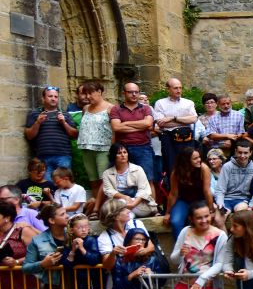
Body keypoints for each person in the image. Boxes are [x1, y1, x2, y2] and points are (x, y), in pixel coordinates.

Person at [24, 86, 78, 180]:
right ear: (43, 98)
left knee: (63, 184)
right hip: (43, 157)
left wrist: (64, 122)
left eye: (56, 97)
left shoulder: (65, 115)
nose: (53, 98)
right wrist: (38, 122)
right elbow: (29, 136)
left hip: (63, 155)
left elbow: (74, 135)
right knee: (47, 185)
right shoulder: (34, 114)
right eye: (50, 96)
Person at [75, 81, 113, 215]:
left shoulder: (110, 108)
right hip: (87, 148)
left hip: (103, 148)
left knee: (104, 180)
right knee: (94, 180)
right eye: (85, 93)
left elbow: (115, 129)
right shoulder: (86, 109)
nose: (88, 96)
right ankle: (97, 207)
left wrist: (113, 147)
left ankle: (102, 208)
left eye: (90, 93)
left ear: (99, 92)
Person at [110, 82, 156, 187]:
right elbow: (116, 127)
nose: (134, 94)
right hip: (122, 150)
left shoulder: (145, 108)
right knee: (122, 181)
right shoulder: (116, 109)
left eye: (136, 92)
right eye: (131, 92)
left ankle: (151, 204)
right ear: (124, 93)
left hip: (143, 148)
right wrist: (140, 127)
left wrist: (125, 123)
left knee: (148, 180)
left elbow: (148, 123)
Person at [164, 147, 215, 237]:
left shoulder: (204, 169)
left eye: (199, 157)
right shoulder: (176, 172)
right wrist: (168, 213)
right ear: (186, 161)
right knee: (176, 221)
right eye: (195, 158)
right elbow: (173, 194)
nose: (199, 160)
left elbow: (207, 191)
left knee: (198, 220)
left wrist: (211, 210)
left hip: (200, 200)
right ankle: (181, 247)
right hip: (184, 200)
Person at [153, 78, 198, 175]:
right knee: (171, 166)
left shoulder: (188, 103)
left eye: (180, 88)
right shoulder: (160, 103)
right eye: (175, 88)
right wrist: (184, 121)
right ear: (168, 89)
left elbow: (194, 119)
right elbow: (161, 123)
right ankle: (173, 189)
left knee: (188, 165)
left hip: (186, 138)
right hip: (169, 138)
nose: (179, 90)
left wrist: (172, 118)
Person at [101, 143, 157, 218]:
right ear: (113, 156)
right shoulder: (107, 173)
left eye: (125, 152)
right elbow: (108, 191)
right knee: (127, 214)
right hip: (118, 203)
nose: (123, 155)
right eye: (119, 153)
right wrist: (125, 197)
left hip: (138, 204)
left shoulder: (138, 169)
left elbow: (144, 190)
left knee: (120, 211)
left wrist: (133, 204)